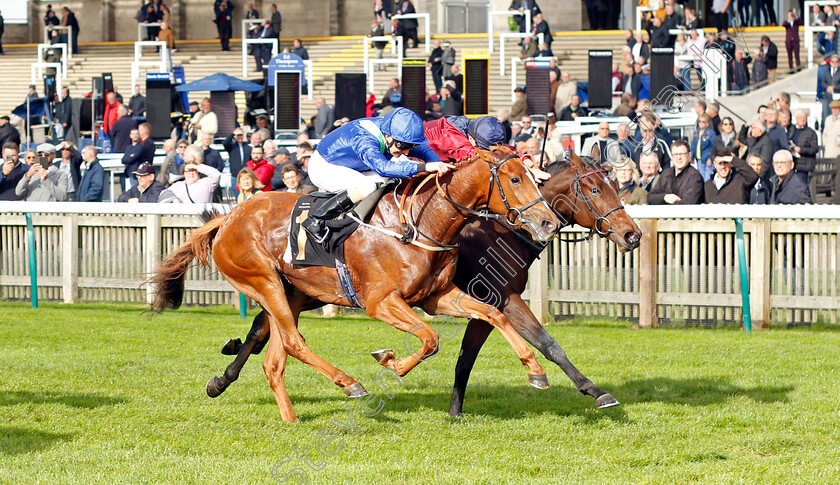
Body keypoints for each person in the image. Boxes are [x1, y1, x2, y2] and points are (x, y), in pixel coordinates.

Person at [302, 107, 451, 243]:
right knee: (367, 185)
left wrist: (439, 166)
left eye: (411, 146)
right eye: (403, 146)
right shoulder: (364, 139)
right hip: (324, 167)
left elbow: (424, 151)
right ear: (387, 136)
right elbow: (383, 168)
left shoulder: (393, 132)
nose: (407, 151)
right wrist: (424, 166)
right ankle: (317, 219)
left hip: (352, 165)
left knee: (394, 175)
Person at [648, 139, 704, 205]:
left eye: (682, 154)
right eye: (675, 154)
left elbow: (688, 203)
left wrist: (670, 202)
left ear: (689, 155)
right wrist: (665, 197)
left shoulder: (695, 177)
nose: (679, 157)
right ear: (672, 156)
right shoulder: (666, 174)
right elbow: (650, 198)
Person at [788, 109, 818, 180]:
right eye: (800, 117)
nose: (802, 119)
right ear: (796, 118)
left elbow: (814, 149)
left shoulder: (811, 133)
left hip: (804, 166)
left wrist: (801, 150)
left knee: (801, 187)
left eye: (804, 117)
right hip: (792, 164)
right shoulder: (791, 130)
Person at [691, 114, 716, 182]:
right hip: (699, 159)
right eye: (699, 121)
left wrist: (710, 158)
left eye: (703, 122)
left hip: (707, 159)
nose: (701, 123)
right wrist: (691, 156)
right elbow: (693, 145)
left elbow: (714, 147)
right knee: (701, 178)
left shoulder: (710, 133)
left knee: (707, 178)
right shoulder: (696, 132)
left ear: (707, 123)